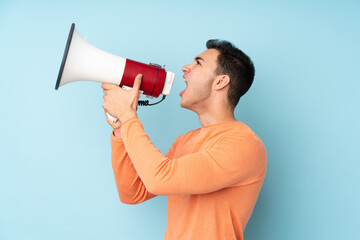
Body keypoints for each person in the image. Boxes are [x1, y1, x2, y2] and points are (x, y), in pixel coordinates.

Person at [101, 39, 266, 240]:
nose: (185, 68)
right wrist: (120, 128)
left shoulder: (244, 144)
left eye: (198, 63)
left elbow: (159, 179)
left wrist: (128, 117)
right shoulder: (185, 140)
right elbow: (133, 192)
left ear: (221, 81)